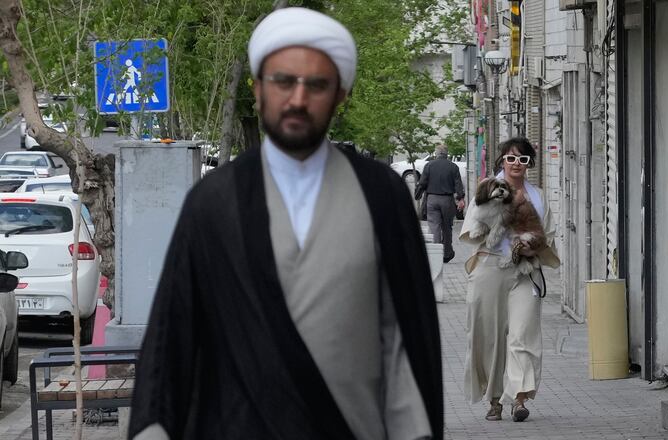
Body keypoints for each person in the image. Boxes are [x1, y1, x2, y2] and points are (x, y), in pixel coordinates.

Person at [129, 7, 442, 440]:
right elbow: (176, 334)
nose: (297, 99)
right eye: (283, 81)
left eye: (316, 85)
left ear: (341, 95)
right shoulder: (214, 201)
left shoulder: (382, 195)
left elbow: (403, 341)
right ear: (257, 90)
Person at [459, 137, 561, 423]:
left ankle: (519, 399)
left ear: (529, 164)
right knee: (489, 337)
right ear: (502, 160)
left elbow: (547, 236)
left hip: (525, 270)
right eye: (511, 158)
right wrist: (497, 221)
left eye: (523, 159)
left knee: (523, 335)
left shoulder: (538, 196)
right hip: (490, 268)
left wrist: (532, 246)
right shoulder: (487, 188)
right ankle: (494, 400)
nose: (517, 164)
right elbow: (473, 230)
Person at [415, 145, 465, 263]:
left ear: (436, 154)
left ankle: (436, 254)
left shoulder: (429, 165)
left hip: (432, 199)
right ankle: (447, 254)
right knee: (447, 227)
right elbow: (458, 184)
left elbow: (422, 182)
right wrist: (461, 198)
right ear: (446, 154)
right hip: (447, 200)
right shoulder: (453, 167)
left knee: (434, 227)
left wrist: (418, 194)